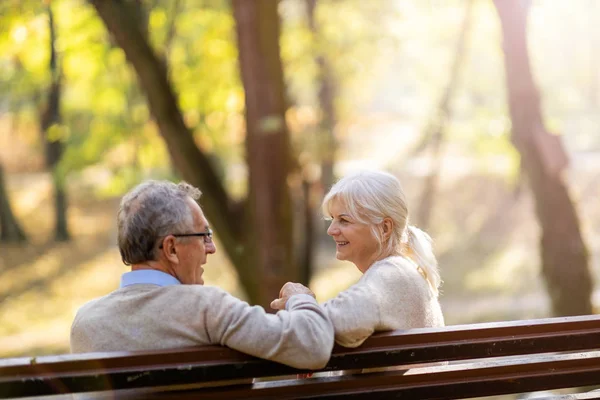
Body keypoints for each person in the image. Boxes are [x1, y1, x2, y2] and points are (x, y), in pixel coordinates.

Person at [70, 180, 334, 370]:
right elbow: (313, 347)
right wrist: (300, 299)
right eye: (203, 236)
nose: (212, 248)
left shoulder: (86, 323)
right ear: (171, 248)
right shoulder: (206, 309)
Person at [271, 170, 444, 349]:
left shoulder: (392, 276)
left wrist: (299, 299)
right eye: (333, 219)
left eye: (344, 220)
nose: (331, 230)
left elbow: (317, 328)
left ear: (384, 228)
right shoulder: (402, 271)